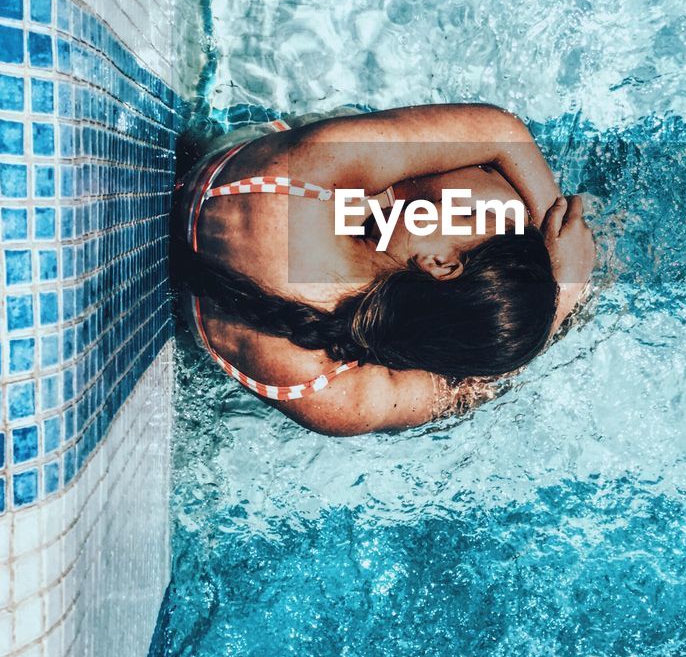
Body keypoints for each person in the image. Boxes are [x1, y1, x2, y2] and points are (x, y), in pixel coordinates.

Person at [171, 103, 596, 435]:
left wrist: (556, 233)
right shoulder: (338, 398)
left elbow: (501, 131)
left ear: (441, 265)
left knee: (505, 202)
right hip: (195, 320)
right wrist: (562, 297)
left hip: (228, 174)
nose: (440, 209)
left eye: (461, 219)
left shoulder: (305, 186)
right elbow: (471, 389)